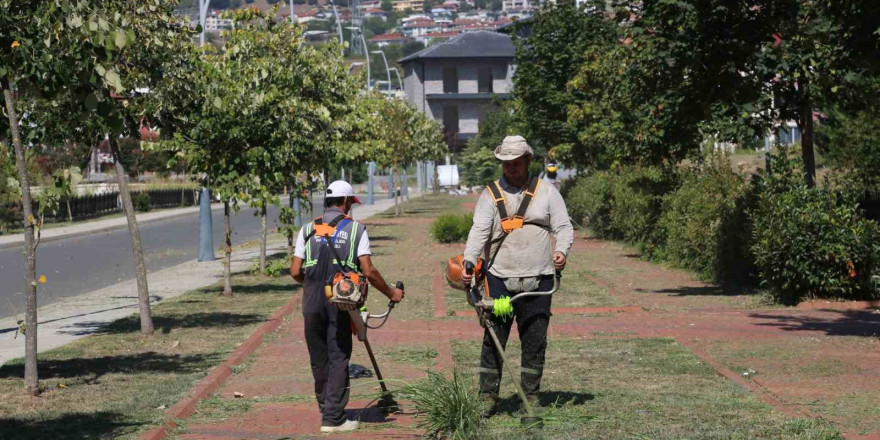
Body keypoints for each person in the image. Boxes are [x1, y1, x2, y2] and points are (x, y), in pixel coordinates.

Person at [461, 135, 574, 416]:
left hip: (539, 279)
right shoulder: (490, 194)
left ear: (527, 160)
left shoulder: (547, 192)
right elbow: (479, 231)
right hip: (499, 279)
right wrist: (469, 259)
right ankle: (487, 397)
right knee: (493, 339)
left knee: (535, 341)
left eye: (516, 162)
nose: (511, 167)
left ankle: (531, 397)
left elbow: (563, 226)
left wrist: (561, 251)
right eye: (506, 163)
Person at [290, 180, 405, 433]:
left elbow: (295, 271)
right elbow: (369, 271)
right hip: (340, 300)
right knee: (339, 354)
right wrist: (391, 292)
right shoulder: (356, 230)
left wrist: (312, 285)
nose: (351, 208)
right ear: (345, 202)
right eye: (351, 203)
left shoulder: (307, 229)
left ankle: (326, 407)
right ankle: (333, 419)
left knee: (318, 357)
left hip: (311, 299)